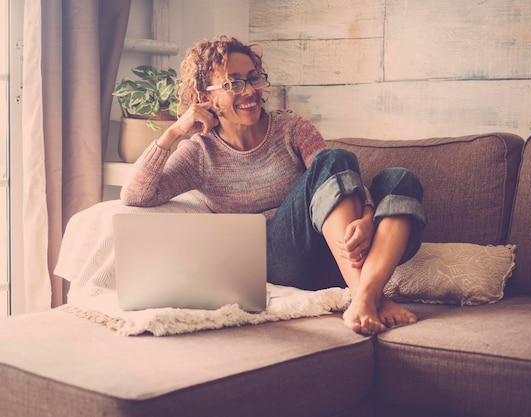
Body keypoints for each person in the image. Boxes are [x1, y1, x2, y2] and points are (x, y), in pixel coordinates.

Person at [120, 35, 427, 336]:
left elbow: (336, 177)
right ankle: (368, 296)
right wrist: (174, 132)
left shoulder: (291, 128)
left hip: (335, 254)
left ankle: (364, 296)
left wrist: (367, 217)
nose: (250, 90)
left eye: (254, 78)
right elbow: (135, 195)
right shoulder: (199, 153)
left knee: (401, 179)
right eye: (233, 82)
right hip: (278, 260)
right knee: (334, 158)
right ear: (204, 97)